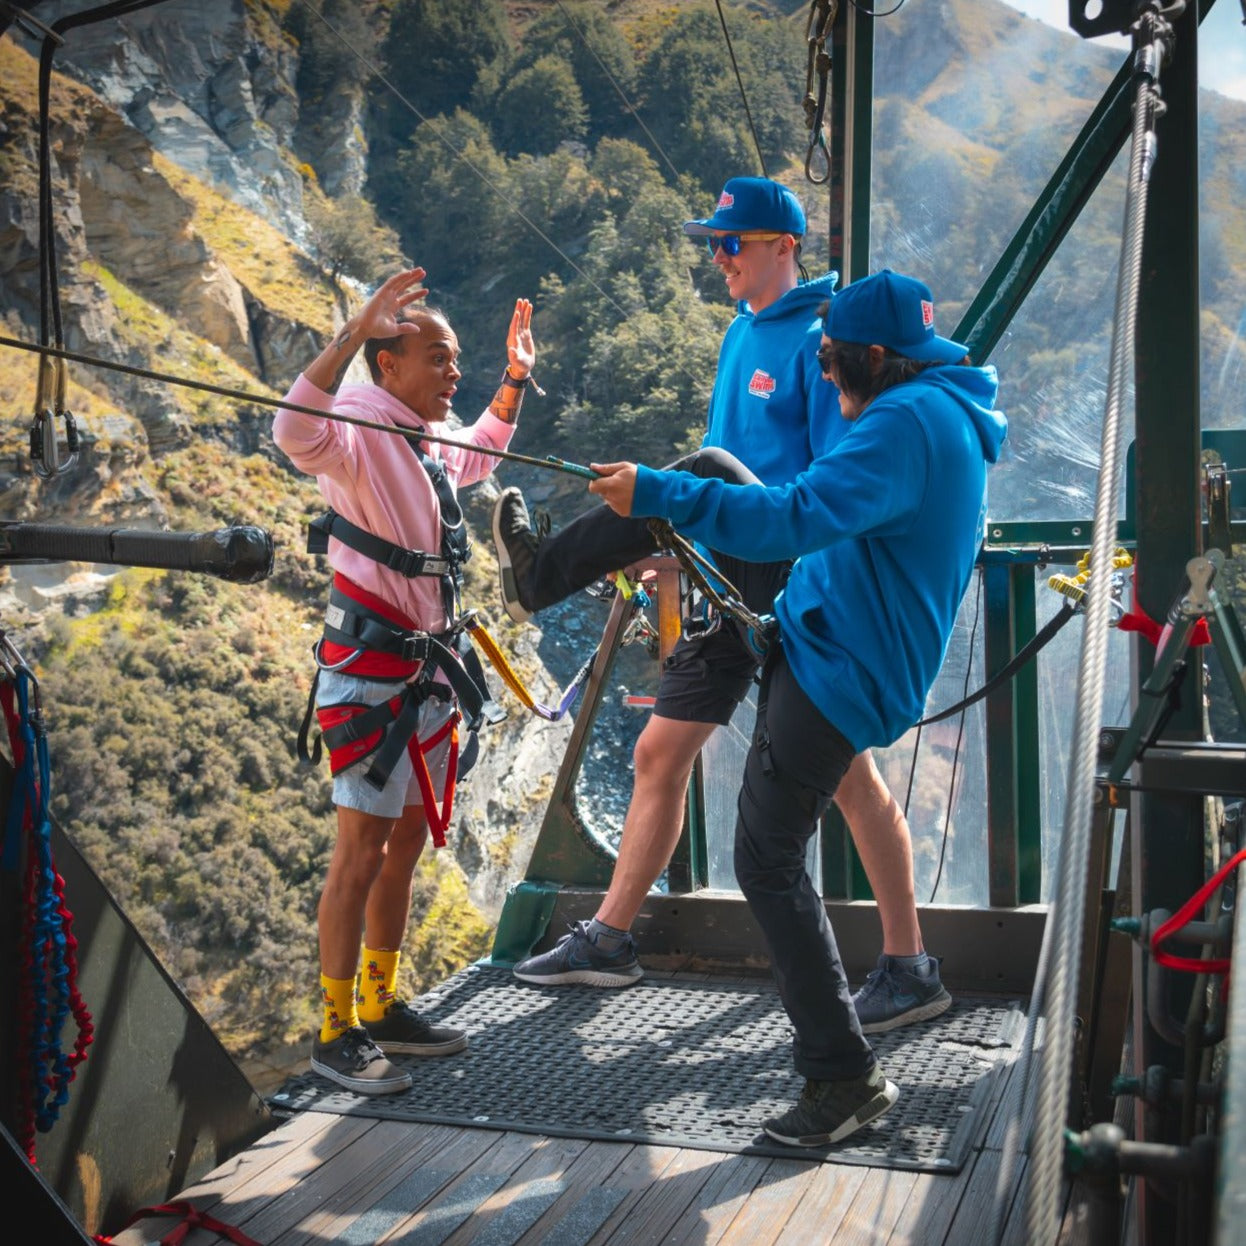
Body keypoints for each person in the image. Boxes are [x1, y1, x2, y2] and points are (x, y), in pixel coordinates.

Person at [492, 177, 949, 1034]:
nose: (717, 257)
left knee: (852, 780)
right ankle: (612, 939)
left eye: (731, 242)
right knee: (661, 752)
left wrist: (691, 525)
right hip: (720, 570)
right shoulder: (742, 335)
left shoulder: (830, 345)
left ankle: (907, 962)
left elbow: (830, 490)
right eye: (714, 241)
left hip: (790, 578)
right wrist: (674, 554)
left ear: (784, 244)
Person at [581, 269, 1007, 1146]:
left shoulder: (902, 423)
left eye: (829, 359)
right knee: (770, 853)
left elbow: (795, 516)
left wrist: (659, 496)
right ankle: (854, 1043)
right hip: (833, 640)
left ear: (872, 359)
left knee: (765, 861)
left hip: (841, 665)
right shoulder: (942, 411)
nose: (822, 374)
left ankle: (842, 1078)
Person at [273, 268, 536, 1095]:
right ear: (388, 367)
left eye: (456, 361)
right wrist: (353, 330)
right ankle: (334, 1030)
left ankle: (382, 1007)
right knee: (359, 854)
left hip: (422, 678)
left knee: (407, 846)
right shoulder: (353, 425)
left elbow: (483, 452)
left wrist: (515, 378)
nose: (451, 373)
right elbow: (290, 431)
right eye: (438, 358)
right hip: (370, 679)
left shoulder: (424, 439)